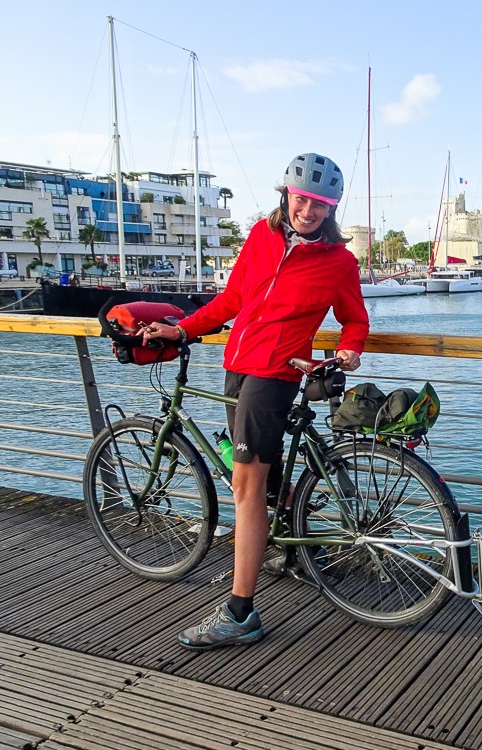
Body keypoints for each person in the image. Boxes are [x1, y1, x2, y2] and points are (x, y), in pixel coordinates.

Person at [141, 152, 369, 649]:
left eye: (321, 204)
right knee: (256, 482)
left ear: (332, 209)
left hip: (275, 374)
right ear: (286, 194)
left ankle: (241, 612)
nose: (309, 210)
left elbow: (356, 318)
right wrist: (181, 328)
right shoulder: (262, 237)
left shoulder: (338, 262)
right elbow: (231, 302)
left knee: (244, 486)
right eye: (302, 198)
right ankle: (284, 545)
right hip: (237, 366)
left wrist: (351, 347)